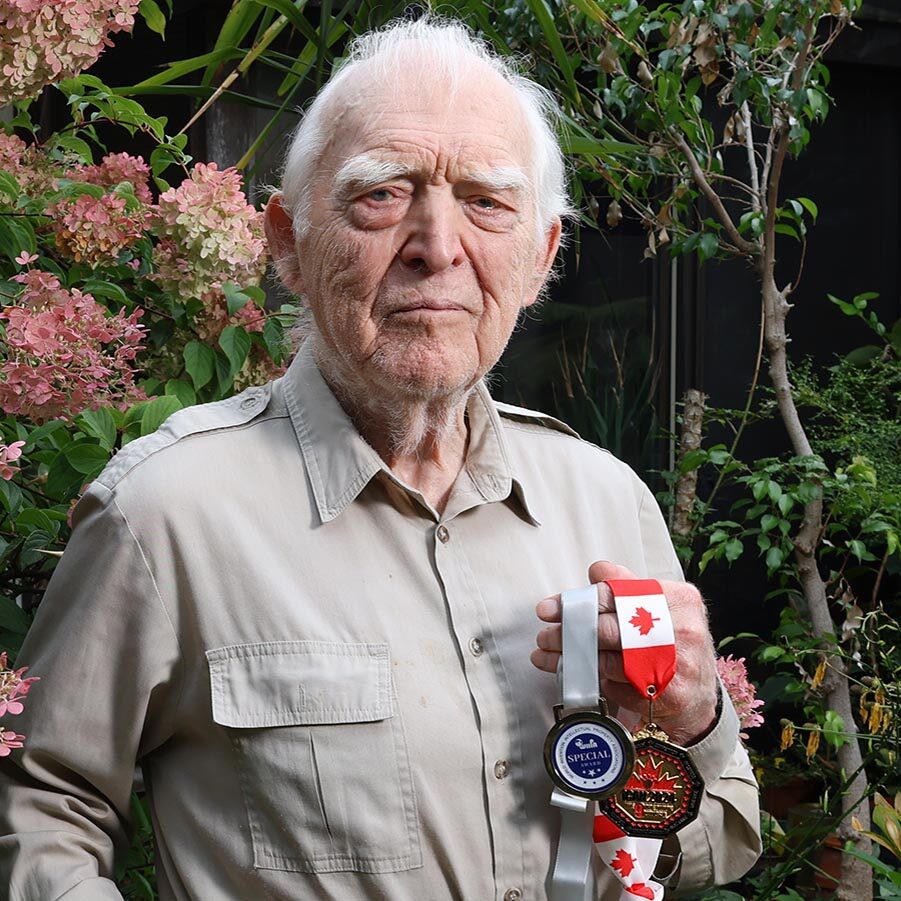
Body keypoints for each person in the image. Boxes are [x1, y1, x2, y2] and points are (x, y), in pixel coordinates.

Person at [0, 17, 761, 901]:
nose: (437, 245)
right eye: (382, 194)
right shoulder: (165, 512)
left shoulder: (606, 503)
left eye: (486, 201)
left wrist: (696, 718)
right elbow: (44, 815)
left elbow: (714, 846)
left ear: (540, 256)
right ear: (287, 241)